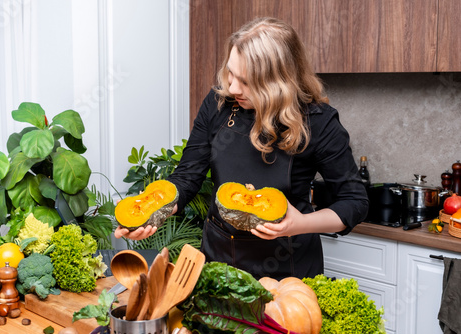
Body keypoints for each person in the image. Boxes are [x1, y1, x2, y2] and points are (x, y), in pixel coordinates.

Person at [115, 17, 369, 280]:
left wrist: (300, 224)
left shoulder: (319, 122)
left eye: (247, 81)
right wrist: (154, 214)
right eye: (231, 73)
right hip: (219, 259)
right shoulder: (218, 105)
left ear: (278, 82)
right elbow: (188, 177)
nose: (233, 87)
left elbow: (355, 202)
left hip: (287, 269)